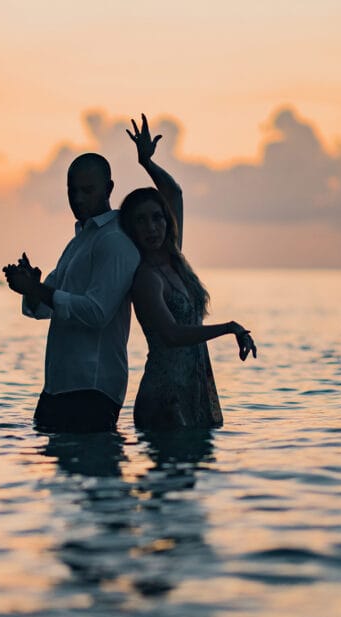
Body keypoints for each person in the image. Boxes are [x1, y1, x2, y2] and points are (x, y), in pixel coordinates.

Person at [120, 114, 257, 430]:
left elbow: (175, 194)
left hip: (193, 386)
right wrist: (228, 328)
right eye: (141, 221)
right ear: (130, 228)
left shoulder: (174, 259)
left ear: (167, 222)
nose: (152, 227)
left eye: (157, 218)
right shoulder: (145, 277)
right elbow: (170, 334)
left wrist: (147, 164)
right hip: (164, 396)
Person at [3, 153, 141, 433]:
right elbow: (42, 308)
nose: (77, 199)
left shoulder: (115, 240)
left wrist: (37, 289)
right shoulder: (78, 243)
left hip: (92, 388)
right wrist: (32, 288)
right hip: (59, 387)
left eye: (87, 190)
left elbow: (97, 312)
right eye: (72, 191)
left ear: (109, 189)